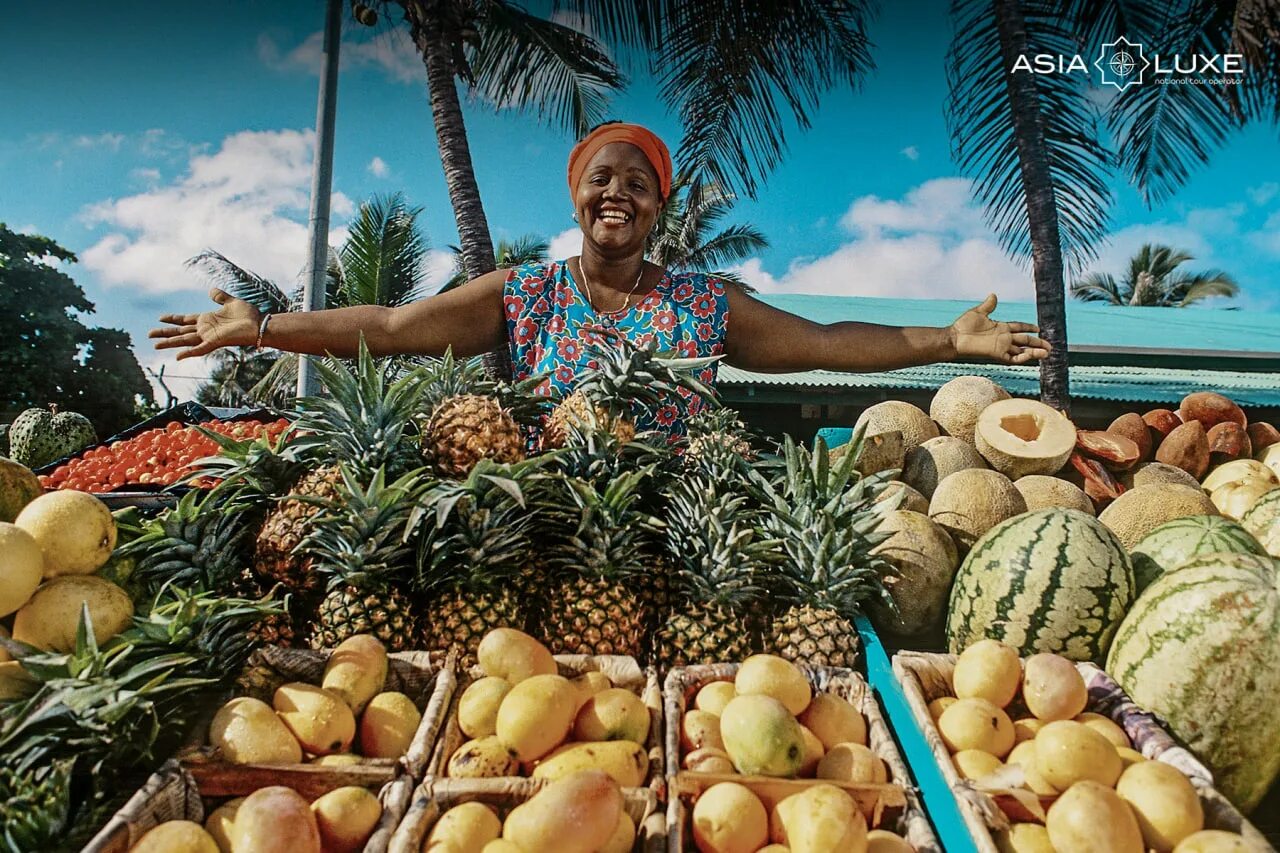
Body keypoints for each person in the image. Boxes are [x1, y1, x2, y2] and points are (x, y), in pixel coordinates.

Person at [152, 122, 1049, 438]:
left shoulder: (707, 301)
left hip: (679, 525)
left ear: (658, 207)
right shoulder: (522, 293)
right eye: (601, 177)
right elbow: (389, 328)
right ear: (578, 197)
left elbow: (822, 344)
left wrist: (946, 339)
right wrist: (263, 327)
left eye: (638, 181)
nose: (617, 191)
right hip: (549, 518)